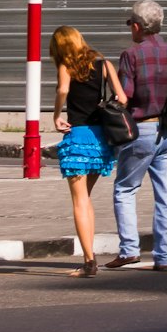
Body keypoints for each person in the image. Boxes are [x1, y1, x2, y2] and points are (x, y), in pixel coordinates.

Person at [111, 0, 167, 271]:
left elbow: (125, 96)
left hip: (142, 129)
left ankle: (130, 250)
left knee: (125, 188)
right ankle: (164, 258)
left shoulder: (130, 56)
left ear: (136, 26)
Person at [47, 26, 126, 279]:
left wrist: (57, 115)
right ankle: (90, 258)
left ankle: (89, 262)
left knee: (79, 202)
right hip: (101, 138)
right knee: (87, 199)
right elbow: (122, 98)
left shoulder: (66, 67)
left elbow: (62, 90)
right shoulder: (104, 64)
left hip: (78, 137)